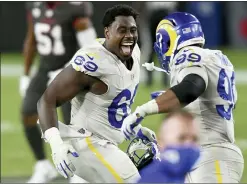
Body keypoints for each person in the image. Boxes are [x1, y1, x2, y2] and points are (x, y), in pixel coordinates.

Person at [37, 4, 157, 183]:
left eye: (133, 30)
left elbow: (113, 105)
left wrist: (133, 127)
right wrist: (56, 144)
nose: (129, 36)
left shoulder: (135, 53)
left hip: (106, 145)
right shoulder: (92, 62)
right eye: (122, 30)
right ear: (107, 32)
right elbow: (46, 101)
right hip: (87, 145)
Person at [121, 12, 244, 183]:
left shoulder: (187, 55)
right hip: (204, 154)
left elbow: (192, 88)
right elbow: (202, 102)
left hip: (212, 154)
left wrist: (142, 111)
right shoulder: (215, 58)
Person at [20, 2, 97, 183]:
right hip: (45, 69)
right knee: (28, 112)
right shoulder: (34, 5)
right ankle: (43, 165)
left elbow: (90, 46)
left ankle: (80, 170)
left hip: (74, 70)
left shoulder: (75, 7)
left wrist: (68, 69)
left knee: (72, 122)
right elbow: (31, 39)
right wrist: (25, 74)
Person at [137, 110, 200, 183]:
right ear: (161, 142)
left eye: (195, 139)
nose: (189, 145)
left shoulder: (205, 174)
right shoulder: (152, 179)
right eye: (181, 138)